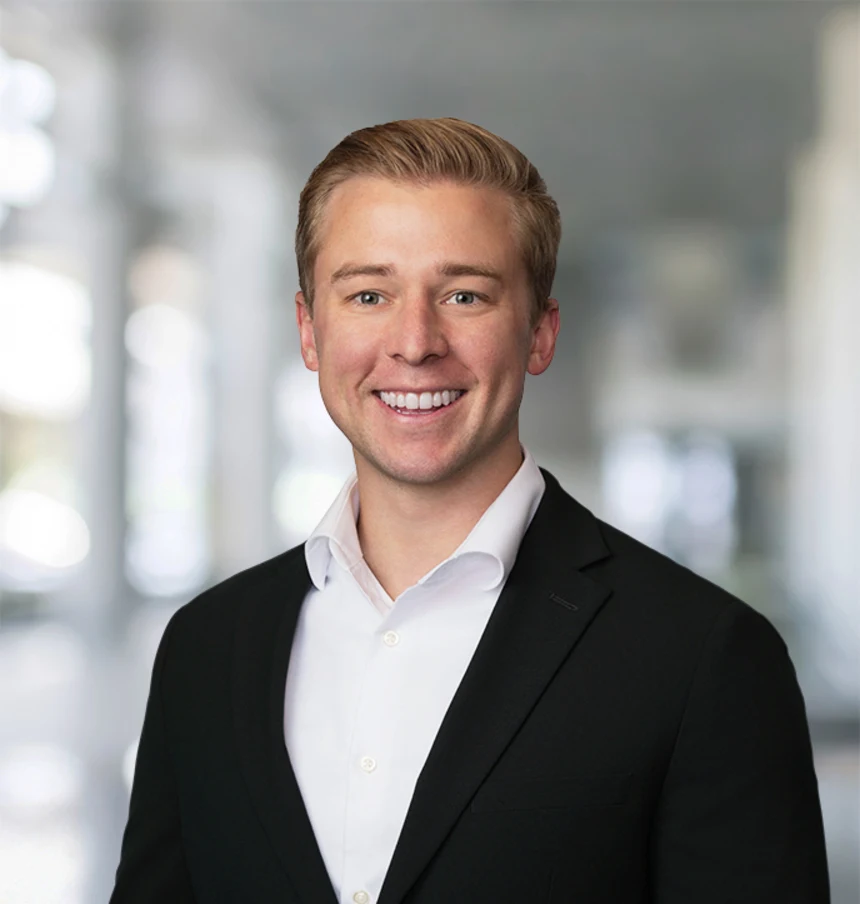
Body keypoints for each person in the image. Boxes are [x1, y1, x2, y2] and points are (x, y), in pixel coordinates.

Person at [110, 118, 830, 904]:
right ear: (310, 331)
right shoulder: (207, 648)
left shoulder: (703, 658)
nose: (415, 342)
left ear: (540, 334)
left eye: (464, 295)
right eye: (369, 294)